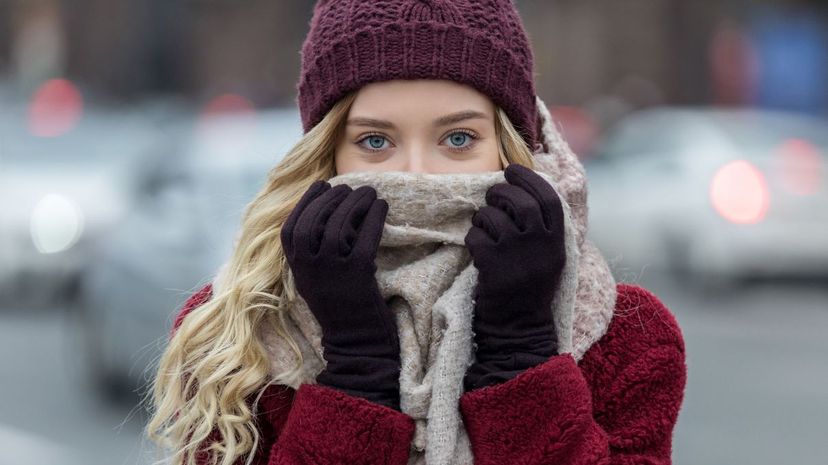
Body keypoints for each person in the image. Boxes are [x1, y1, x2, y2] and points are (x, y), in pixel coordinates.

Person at [146, 1, 687, 465]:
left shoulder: (627, 337)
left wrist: (522, 354)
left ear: (512, 147)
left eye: (458, 138)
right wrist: (354, 369)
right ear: (326, 152)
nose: (418, 173)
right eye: (375, 142)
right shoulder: (231, 338)